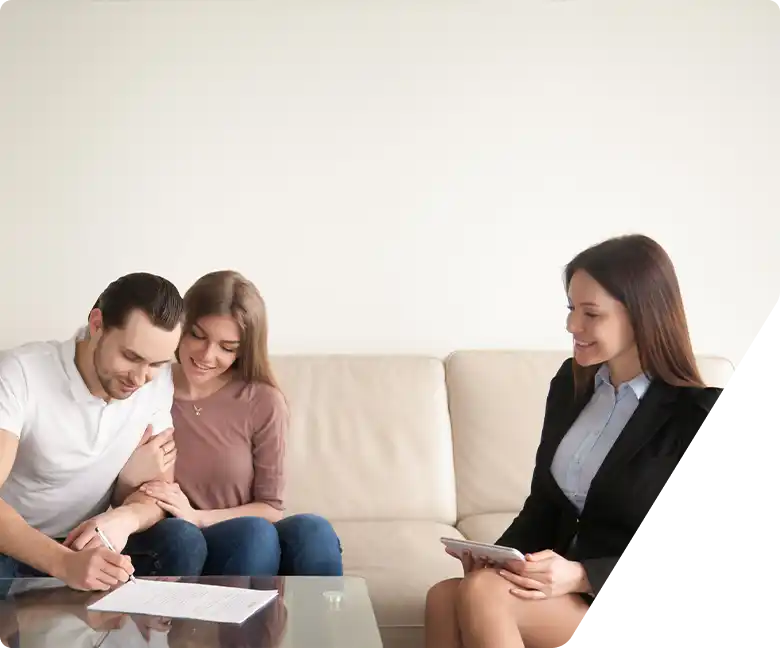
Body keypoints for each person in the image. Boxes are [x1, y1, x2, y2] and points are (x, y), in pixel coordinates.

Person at [423, 234, 766, 647]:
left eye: (591, 313)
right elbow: (545, 505)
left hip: (650, 604)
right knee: (445, 597)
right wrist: (497, 558)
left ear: (642, 316)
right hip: (579, 591)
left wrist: (584, 575)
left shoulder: (704, 414)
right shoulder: (571, 387)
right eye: (571, 309)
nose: (572, 326)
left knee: (484, 595)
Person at [116, 270, 343, 577]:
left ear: (243, 350)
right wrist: (130, 479)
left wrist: (198, 517)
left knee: (313, 530)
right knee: (253, 534)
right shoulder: (145, 384)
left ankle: (316, 612)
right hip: (176, 542)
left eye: (227, 347)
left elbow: (270, 508)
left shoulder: (262, 401)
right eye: (198, 335)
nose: (207, 355)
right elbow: (121, 496)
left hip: (238, 537)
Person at [0, 272, 207, 594]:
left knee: (183, 540)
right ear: (97, 325)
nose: (139, 378)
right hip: (15, 545)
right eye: (131, 357)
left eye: (156, 364)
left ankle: (150, 626)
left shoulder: (156, 384)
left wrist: (124, 519)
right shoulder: (21, 373)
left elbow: (158, 495)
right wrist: (64, 563)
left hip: (90, 542)